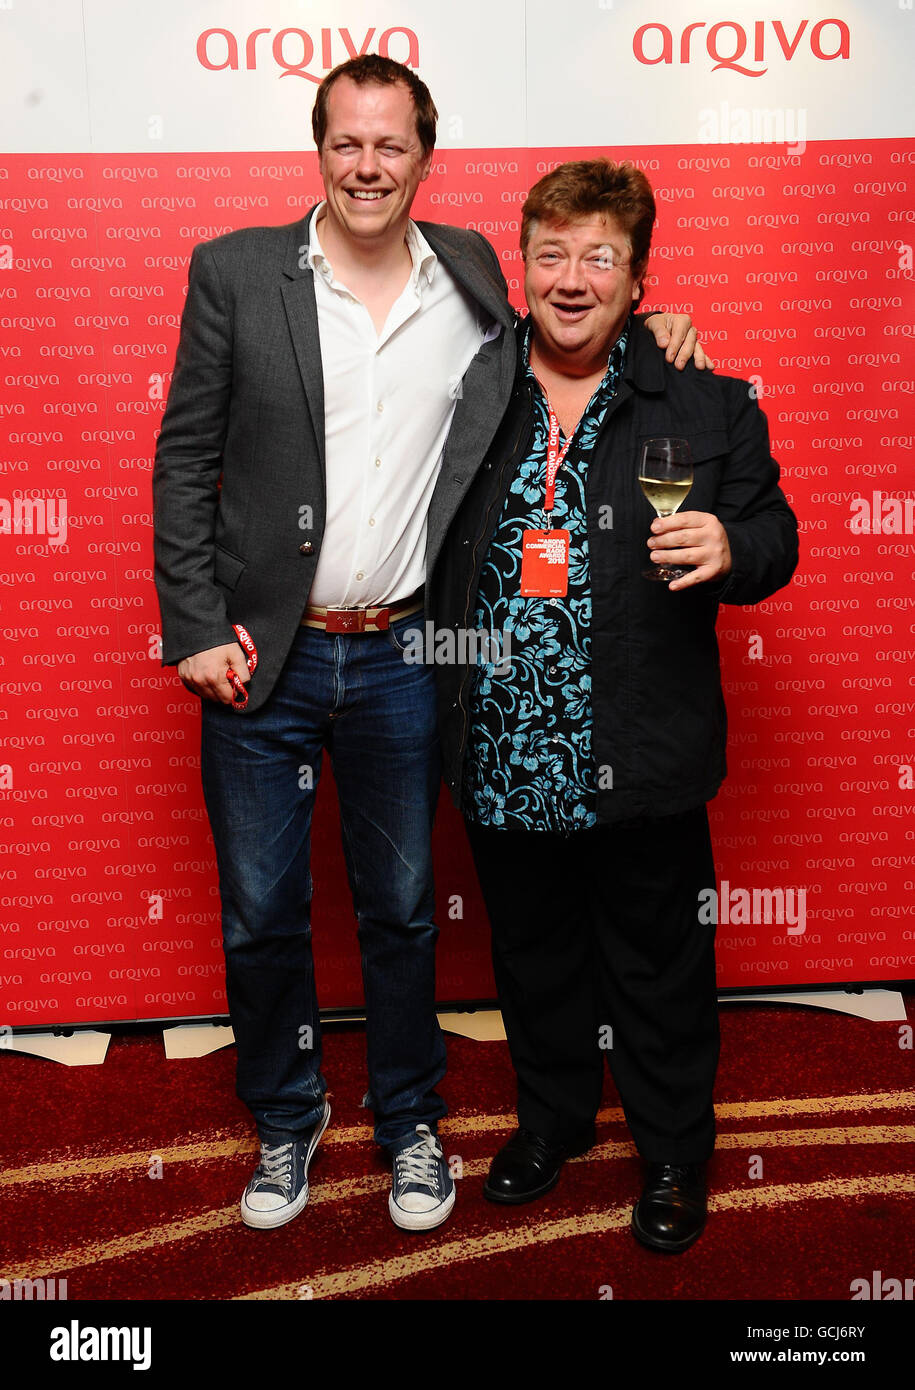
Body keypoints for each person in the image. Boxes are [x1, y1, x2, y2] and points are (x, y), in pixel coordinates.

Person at [152, 56, 704, 1235]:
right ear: (319, 148)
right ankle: (287, 1121)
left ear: (423, 156)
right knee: (261, 912)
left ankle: (408, 1125)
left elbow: (578, 326)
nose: (367, 166)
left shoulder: (473, 273)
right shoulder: (236, 274)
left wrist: (659, 330)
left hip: (410, 653)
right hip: (265, 659)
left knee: (402, 907)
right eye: (347, 143)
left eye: (390, 145)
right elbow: (183, 456)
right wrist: (195, 626)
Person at [428, 158, 799, 1251]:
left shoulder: (707, 397)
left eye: (601, 256)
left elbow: (776, 536)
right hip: (502, 747)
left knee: (658, 962)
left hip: (640, 745)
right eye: (552, 254)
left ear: (639, 279)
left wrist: (733, 544)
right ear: (522, 268)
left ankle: (677, 1152)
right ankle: (551, 1122)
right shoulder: (475, 384)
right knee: (534, 956)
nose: (573, 278)